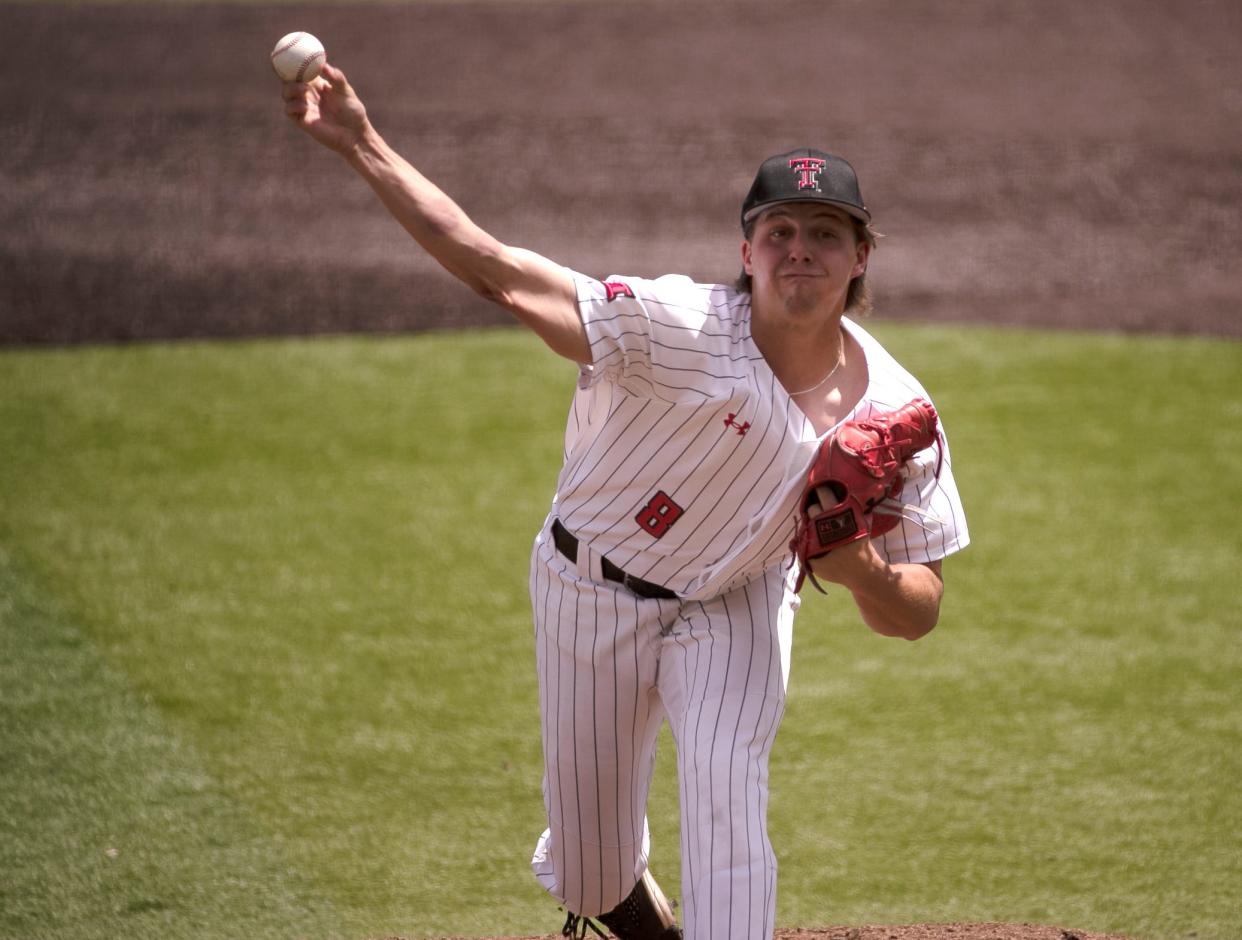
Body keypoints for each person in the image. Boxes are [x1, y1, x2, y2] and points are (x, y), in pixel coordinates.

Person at [280, 62, 969, 940]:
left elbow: (916, 615)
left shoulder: (898, 411)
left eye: (827, 233)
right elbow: (501, 274)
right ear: (746, 250)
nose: (802, 249)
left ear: (862, 254)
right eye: (782, 230)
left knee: (729, 795)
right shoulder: (669, 327)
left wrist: (862, 569)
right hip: (588, 587)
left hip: (736, 603)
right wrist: (363, 144)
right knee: (592, 867)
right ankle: (628, 909)